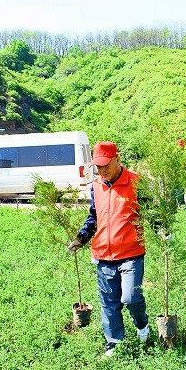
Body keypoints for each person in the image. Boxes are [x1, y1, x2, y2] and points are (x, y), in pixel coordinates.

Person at [67, 141, 149, 356]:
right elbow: (93, 217)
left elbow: (150, 211)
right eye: (98, 166)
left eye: (106, 165)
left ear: (117, 159)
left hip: (131, 253)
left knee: (131, 298)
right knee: (109, 303)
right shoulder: (96, 185)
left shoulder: (136, 182)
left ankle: (142, 324)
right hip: (103, 253)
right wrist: (81, 238)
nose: (102, 170)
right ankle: (114, 342)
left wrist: (162, 230)